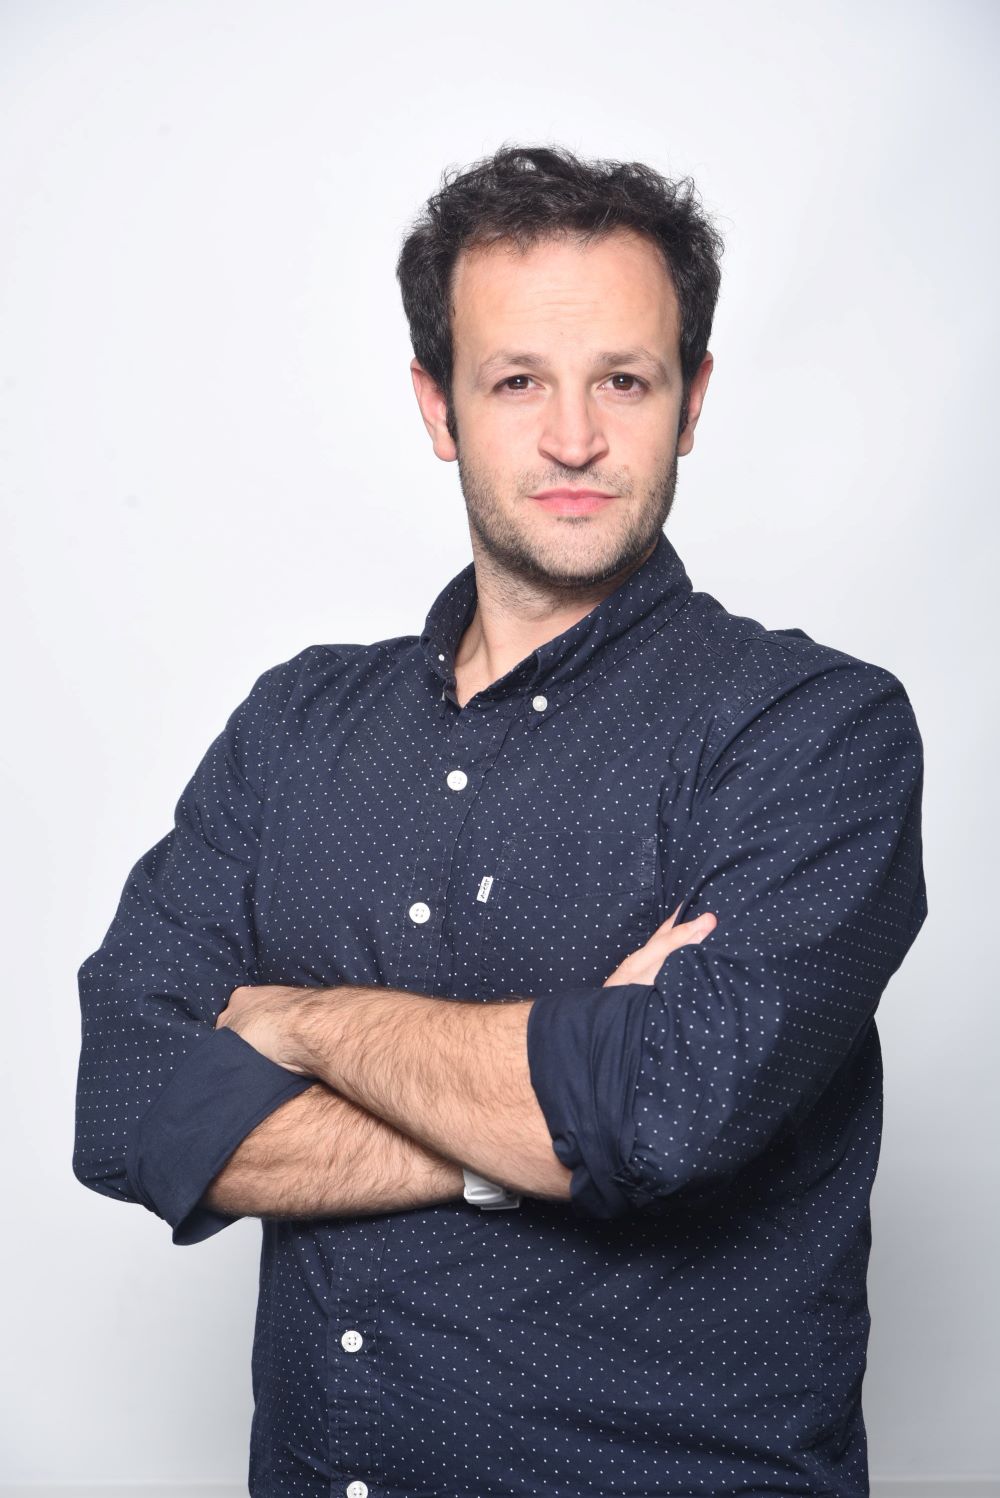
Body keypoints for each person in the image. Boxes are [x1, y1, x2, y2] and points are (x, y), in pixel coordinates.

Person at [73, 143, 928, 1498]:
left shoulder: (813, 730)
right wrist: (539, 1111)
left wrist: (308, 1026)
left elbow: (664, 1112)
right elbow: (129, 1110)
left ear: (693, 400)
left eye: (624, 381)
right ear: (439, 404)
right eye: (518, 380)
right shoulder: (296, 726)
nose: (574, 437)